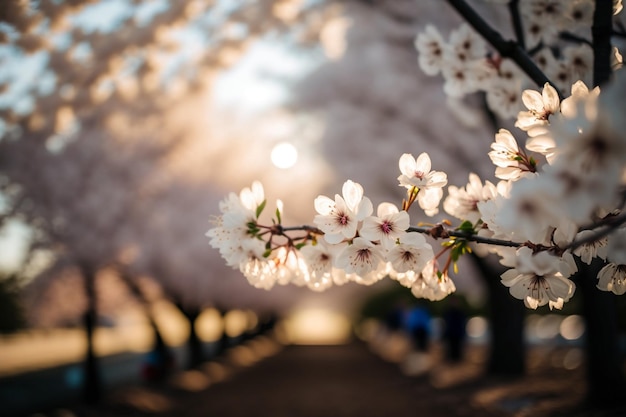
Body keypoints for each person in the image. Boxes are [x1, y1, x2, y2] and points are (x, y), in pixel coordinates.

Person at [442, 295, 467, 362]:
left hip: (458, 333)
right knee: (450, 347)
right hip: (450, 333)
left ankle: (457, 360)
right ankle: (452, 359)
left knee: (457, 347)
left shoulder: (460, 312)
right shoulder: (448, 312)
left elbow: (463, 322)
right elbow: (445, 323)